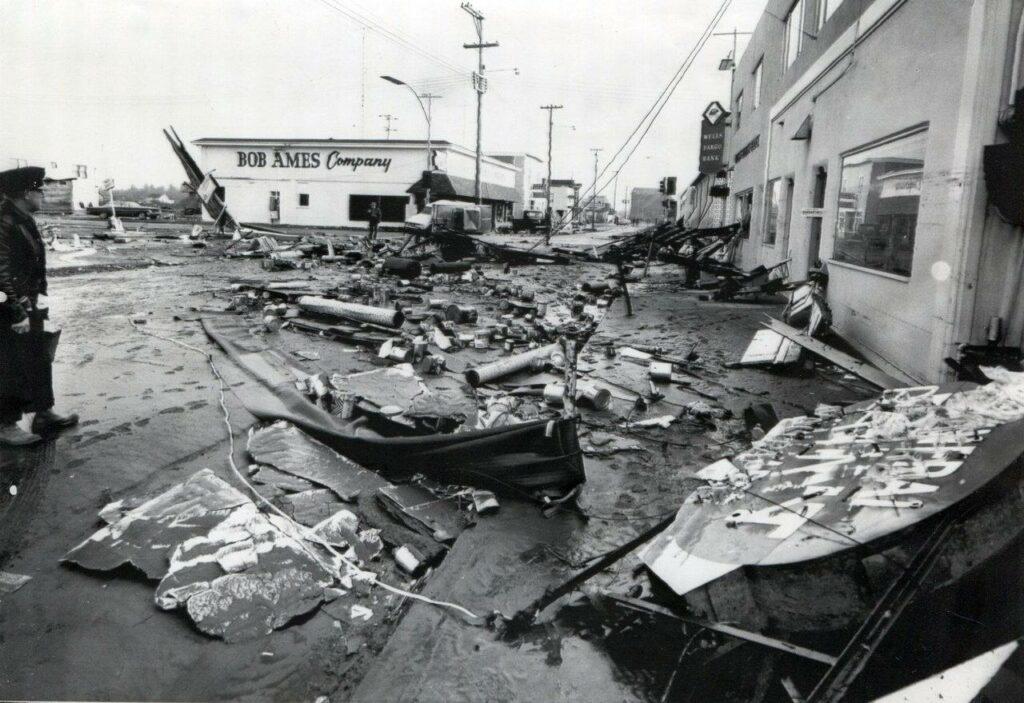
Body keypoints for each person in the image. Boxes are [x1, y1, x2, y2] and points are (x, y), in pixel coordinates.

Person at [0, 166, 78, 446]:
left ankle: (43, 412)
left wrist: (39, 297)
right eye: (39, 190)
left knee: (38, 356)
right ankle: (5, 424)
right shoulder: (5, 220)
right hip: (10, 307)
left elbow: (31, 264)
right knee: (9, 363)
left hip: (29, 302)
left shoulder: (24, 218)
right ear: (24, 193)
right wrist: (15, 311)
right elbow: (1, 271)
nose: (43, 195)